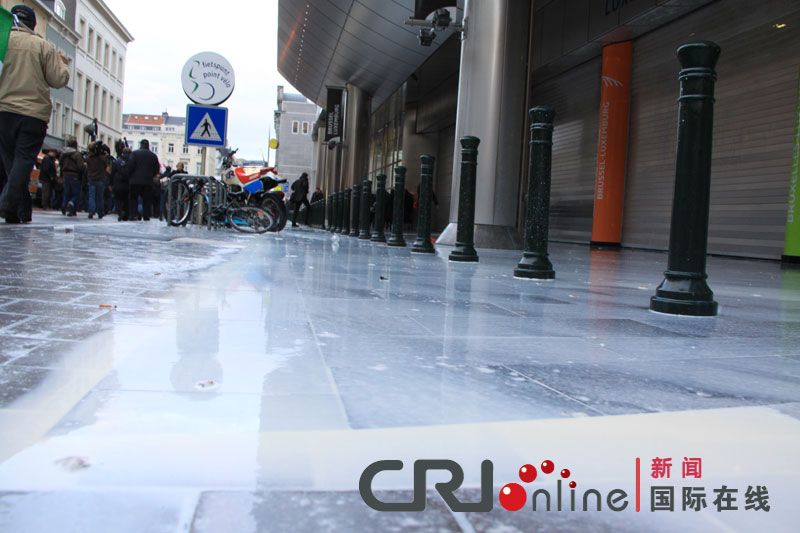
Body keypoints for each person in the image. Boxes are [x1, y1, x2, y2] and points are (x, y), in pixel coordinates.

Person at [0, 5, 70, 223]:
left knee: (11, 163)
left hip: (3, 110)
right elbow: (58, 79)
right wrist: (62, 63)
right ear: (34, 25)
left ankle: (18, 211)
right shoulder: (42, 46)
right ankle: (6, 204)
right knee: (23, 161)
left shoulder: (2, 42)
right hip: (32, 113)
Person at [125, 139, 160, 221]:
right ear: (148, 146)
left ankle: (133, 215)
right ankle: (146, 216)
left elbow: (130, 166)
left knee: (133, 199)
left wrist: (130, 175)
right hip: (148, 182)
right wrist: (150, 175)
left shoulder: (134, 153)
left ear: (140, 145)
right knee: (146, 200)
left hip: (135, 181)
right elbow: (156, 169)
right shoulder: (153, 156)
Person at [59, 138, 85, 216]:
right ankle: (71, 203)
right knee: (76, 193)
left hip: (66, 174)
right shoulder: (77, 154)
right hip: (75, 175)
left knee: (66, 192)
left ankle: (64, 205)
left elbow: (60, 164)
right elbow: (80, 167)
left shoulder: (63, 153)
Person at [86, 141, 108, 218]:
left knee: (91, 196)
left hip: (91, 178)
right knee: (100, 197)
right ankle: (100, 212)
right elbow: (105, 166)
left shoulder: (89, 157)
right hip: (100, 179)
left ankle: (91, 212)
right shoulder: (103, 158)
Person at [110, 147, 130, 221]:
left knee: (118, 199)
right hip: (127, 184)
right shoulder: (130, 162)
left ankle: (120, 212)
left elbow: (112, 173)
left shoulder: (117, 162)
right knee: (126, 200)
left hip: (117, 183)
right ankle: (125, 213)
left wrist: (110, 184)